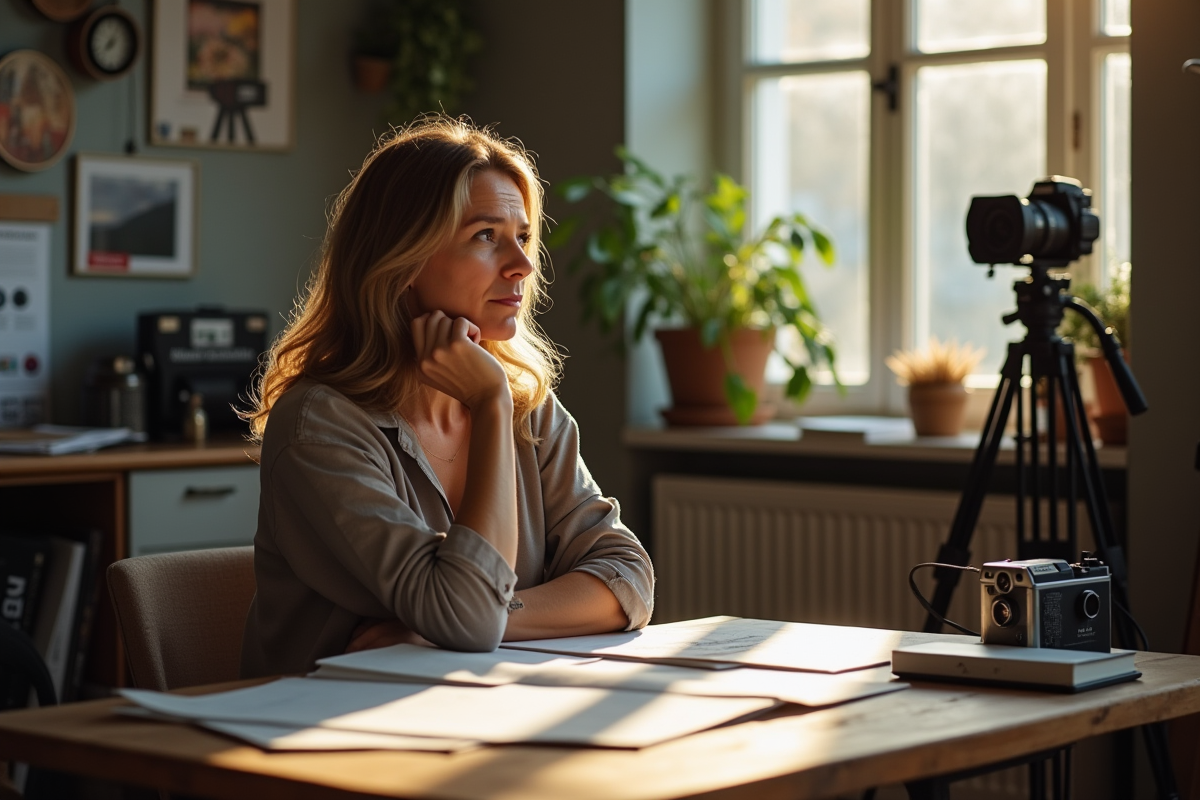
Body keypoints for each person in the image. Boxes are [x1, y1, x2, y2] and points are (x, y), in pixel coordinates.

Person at [239, 116, 655, 677]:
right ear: (403, 259)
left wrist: (461, 623)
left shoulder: (528, 408)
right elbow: (467, 619)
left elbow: (627, 577)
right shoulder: (321, 426)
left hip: (487, 712)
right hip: (331, 735)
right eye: (486, 236)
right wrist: (486, 406)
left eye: (524, 237)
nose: (523, 266)